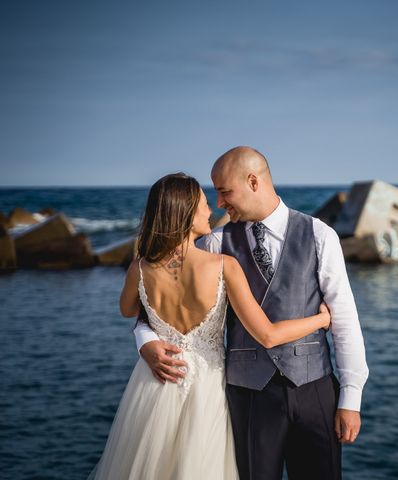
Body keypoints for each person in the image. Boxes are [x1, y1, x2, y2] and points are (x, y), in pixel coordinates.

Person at [135, 147, 369, 480]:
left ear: (253, 182)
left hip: (315, 389)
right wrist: (144, 340)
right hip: (248, 395)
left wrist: (351, 397)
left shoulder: (320, 235)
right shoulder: (214, 244)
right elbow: (160, 303)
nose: (219, 203)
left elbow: (345, 320)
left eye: (224, 191)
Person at [90, 173, 331, 480]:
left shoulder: (140, 268)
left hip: (153, 386)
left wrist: (148, 333)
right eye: (204, 205)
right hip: (206, 388)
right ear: (188, 214)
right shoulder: (223, 266)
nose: (210, 211)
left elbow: (128, 310)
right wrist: (321, 319)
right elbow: (268, 335)